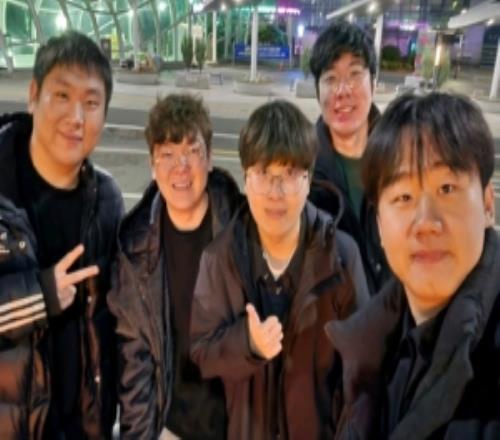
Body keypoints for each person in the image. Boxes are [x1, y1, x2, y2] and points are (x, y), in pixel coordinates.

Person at [190, 100, 369, 439]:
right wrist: (247, 344)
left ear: (308, 179)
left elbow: (362, 372)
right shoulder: (220, 259)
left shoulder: (342, 258)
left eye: (289, 174)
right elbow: (202, 351)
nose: (276, 192)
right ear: (246, 178)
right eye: (263, 174)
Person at [327, 92, 500, 439]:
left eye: (446, 188)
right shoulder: (369, 346)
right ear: (379, 225)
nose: (426, 222)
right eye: (403, 197)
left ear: (487, 205)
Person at [0, 31, 123, 438]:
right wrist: (39, 296)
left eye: (91, 103)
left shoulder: (106, 201)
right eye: (63, 96)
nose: (77, 117)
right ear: (33, 95)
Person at [107, 94, 242, 439]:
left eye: (192, 151)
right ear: (152, 166)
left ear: (210, 159)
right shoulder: (134, 248)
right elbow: (134, 358)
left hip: (239, 424)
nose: (180, 167)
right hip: (171, 427)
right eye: (167, 155)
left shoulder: (242, 227)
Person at [309, 20, 389, 293]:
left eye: (355, 74)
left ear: (373, 84)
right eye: (330, 79)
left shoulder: (402, 156)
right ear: (317, 92)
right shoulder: (303, 170)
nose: (343, 91)